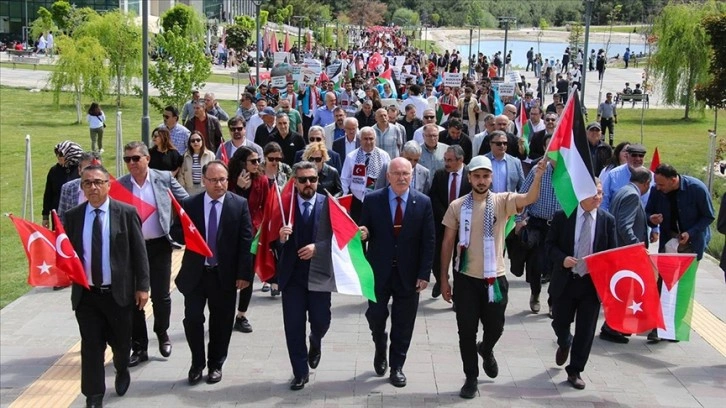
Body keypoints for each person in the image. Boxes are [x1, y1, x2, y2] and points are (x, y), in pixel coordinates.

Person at [439, 157, 546, 399]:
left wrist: (538, 175)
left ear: (491, 178)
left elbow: (529, 199)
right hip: (466, 278)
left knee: (495, 327)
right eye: (476, 176)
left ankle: (486, 349)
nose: (481, 181)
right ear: (469, 178)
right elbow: (447, 242)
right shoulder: (457, 206)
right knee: (466, 331)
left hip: (494, 279)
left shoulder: (502, 201)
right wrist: (444, 279)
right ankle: (471, 378)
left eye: (486, 176)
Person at [65, 164, 150, 408]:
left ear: (108, 185)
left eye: (98, 182)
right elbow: (68, 252)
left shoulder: (125, 212)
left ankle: (122, 369)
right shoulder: (73, 217)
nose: (93, 187)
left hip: (118, 294)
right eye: (87, 183)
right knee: (91, 347)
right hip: (87, 296)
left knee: (121, 344)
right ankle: (93, 395)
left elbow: (139, 253)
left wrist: (143, 287)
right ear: (82, 187)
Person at [358, 157, 435, 388]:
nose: (402, 178)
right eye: (397, 173)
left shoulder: (422, 202)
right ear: (388, 176)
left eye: (406, 174)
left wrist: (424, 273)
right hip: (378, 272)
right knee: (376, 317)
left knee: (403, 323)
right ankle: (380, 345)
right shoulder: (372, 200)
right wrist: (364, 234)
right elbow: (365, 231)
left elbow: (428, 241)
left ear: (412, 176)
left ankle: (397, 366)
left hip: (409, 275)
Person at [174, 161, 253, 386]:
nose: (219, 185)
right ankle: (197, 363)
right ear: (204, 181)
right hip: (196, 274)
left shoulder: (238, 205)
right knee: (193, 320)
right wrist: (187, 235)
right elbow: (176, 231)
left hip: (224, 275)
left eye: (223, 180)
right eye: (214, 180)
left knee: (221, 322)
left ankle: (216, 364)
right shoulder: (191, 204)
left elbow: (245, 242)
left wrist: (244, 274)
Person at [117, 141, 189, 367]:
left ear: (147, 158)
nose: (131, 164)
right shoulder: (121, 185)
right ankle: (139, 346)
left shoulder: (163, 178)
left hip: (159, 245)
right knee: (136, 297)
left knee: (161, 295)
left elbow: (186, 202)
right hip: (132, 250)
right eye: (127, 159)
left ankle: (162, 332)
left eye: (135, 158)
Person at [545, 179, 617, 390]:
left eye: (601, 193)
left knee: (586, 330)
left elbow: (612, 253)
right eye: (594, 193)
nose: (598, 197)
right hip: (566, 281)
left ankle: (575, 370)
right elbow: (549, 246)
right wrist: (562, 259)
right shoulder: (562, 216)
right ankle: (564, 340)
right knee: (560, 321)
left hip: (591, 285)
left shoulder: (607, 220)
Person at [276, 161, 332, 390]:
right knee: (294, 327)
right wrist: (279, 238)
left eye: (312, 179)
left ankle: (316, 340)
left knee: (321, 321)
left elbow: (340, 240)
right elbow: (267, 241)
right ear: (295, 182)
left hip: (319, 276)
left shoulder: (329, 204)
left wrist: (318, 248)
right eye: (303, 180)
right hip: (293, 278)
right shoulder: (282, 204)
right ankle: (300, 372)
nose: (308, 184)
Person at [428, 145, 472, 299]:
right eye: (445, 159)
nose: (446, 163)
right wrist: (448, 216)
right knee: (437, 257)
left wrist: (460, 218)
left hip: (464, 226)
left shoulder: (470, 176)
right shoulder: (440, 175)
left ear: (461, 160)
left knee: (459, 261)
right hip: (443, 224)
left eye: (450, 160)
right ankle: (441, 280)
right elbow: (433, 197)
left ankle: (458, 295)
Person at [340, 126, 391, 222]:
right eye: (365, 139)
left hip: (377, 198)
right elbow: (345, 178)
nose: (368, 142)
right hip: (356, 199)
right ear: (360, 140)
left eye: (371, 139)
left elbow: (389, 178)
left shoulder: (384, 156)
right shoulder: (351, 157)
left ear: (375, 139)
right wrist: (345, 198)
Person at [43, 141, 83, 230]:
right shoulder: (54, 171)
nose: (58, 157)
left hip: (77, 214)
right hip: (58, 215)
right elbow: (48, 194)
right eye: (56, 153)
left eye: (61, 154)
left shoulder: (81, 170)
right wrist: (45, 216)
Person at [610, 167, 651, 247]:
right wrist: (637, 246)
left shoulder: (622, 190)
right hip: (626, 251)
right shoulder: (633, 195)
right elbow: (624, 227)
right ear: (647, 183)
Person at [58, 151, 101, 224]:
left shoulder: (109, 189)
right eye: (87, 169)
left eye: (96, 169)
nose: (92, 174)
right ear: (79, 170)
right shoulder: (68, 188)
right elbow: (62, 219)